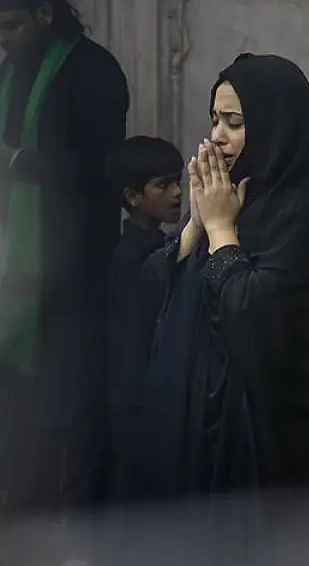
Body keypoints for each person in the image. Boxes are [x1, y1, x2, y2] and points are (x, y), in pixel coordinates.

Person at [133, 53, 309, 498]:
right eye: (215, 120)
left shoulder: (305, 210)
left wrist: (221, 231)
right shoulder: (230, 196)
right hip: (205, 425)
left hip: (271, 436)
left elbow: (253, 318)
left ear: (275, 125)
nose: (217, 137)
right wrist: (195, 225)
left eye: (234, 122)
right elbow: (154, 294)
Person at [0, 0, 129, 516]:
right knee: (19, 408)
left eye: (11, 26)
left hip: (74, 271)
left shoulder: (93, 71)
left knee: (76, 405)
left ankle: (86, 525)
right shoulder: (10, 72)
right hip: (13, 275)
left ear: (46, 14)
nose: (2, 38)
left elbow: (101, 166)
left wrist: (15, 161)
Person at [102, 135, 182, 501]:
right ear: (133, 196)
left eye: (177, 182)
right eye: (163, 185)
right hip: (137, 394)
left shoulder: (160, 246)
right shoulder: (129, 258)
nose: (177, 193)